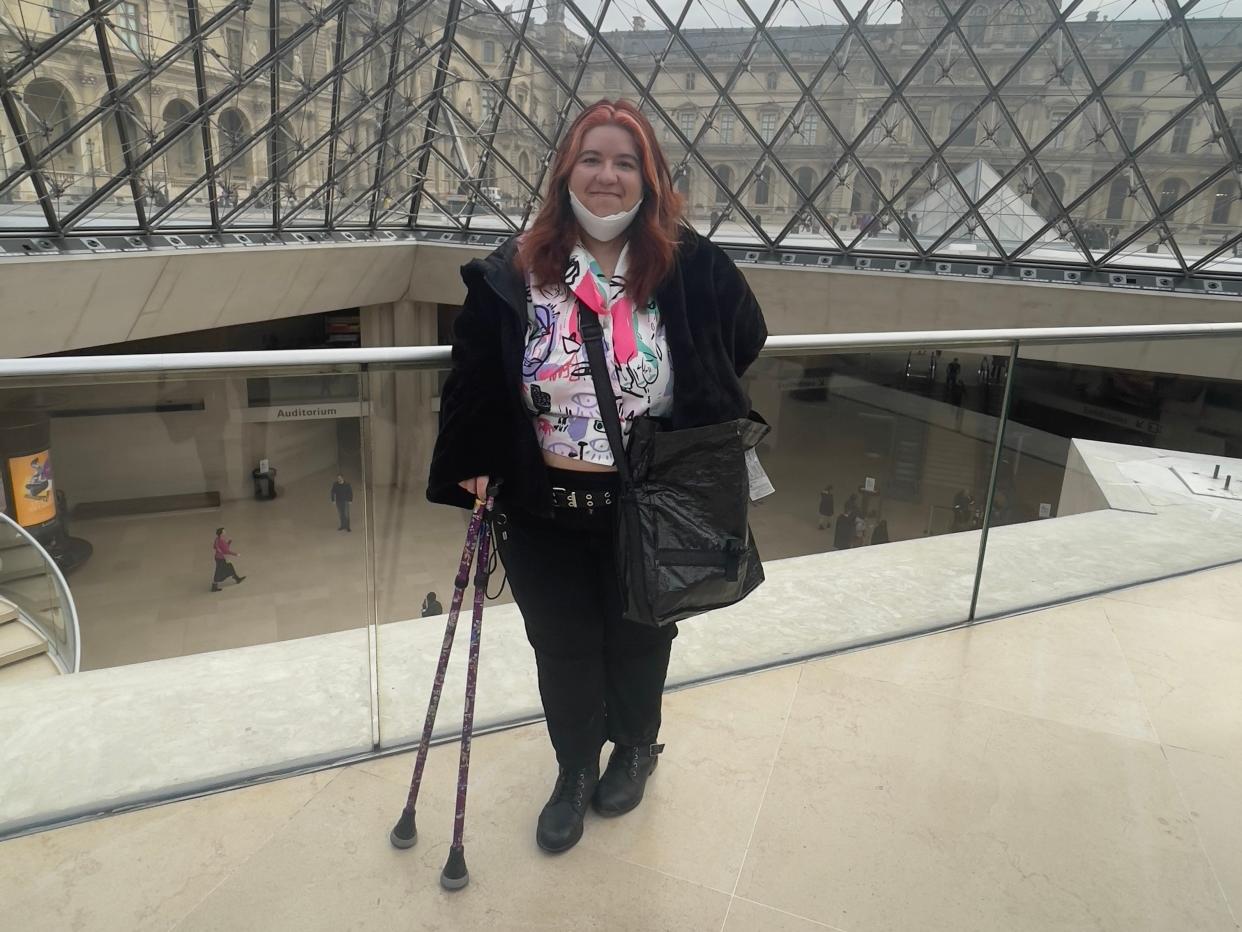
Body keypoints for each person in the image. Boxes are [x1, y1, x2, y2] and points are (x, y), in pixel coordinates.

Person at [426, 99, 767, 855]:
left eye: (624, 161)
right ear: (565, 171)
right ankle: (575, 768)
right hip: (540, 501)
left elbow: (743, 337)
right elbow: (474, 373)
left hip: (648, 499)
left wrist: (689, 417)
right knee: (563, 645)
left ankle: (638, 747)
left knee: (644, 634)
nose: (607, 176)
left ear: (648, 177)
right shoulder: (514, 268)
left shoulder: (689, 263)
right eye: (592, 158)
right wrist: (472, 459)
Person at [211, 527, 245, 592]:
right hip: (220, 559)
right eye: (224, 531)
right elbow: (226, 551)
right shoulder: (222, 541)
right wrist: (236, 554)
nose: (225, 532)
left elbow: (218, 547)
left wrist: (229, 542)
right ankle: (214, 586)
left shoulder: (217, 539)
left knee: (228, 567)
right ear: (221, 533)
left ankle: (236, 578)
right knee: (219, 571)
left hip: (218, 558)